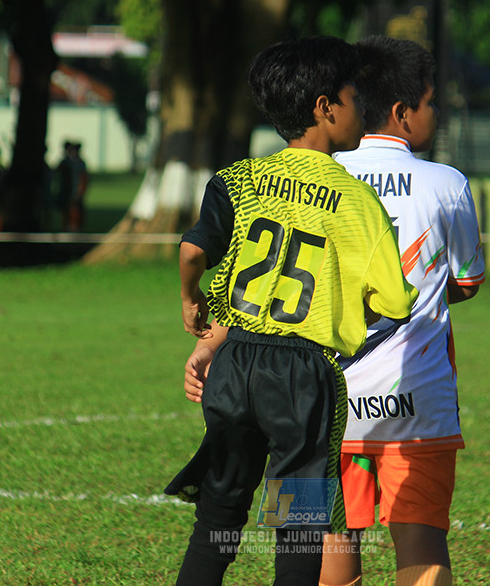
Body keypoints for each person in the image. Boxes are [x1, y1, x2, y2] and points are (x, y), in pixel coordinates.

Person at [168, 36, 418, 586]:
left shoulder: (239, 180)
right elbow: (395, 301)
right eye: (353, 97)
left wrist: (194, 306)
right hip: (302, 375)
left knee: (220, 510)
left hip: (235, 365)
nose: (361, 109)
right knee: (298, 524)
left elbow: (193, 253)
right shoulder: (355, 200)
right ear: (326, 108)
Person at [323, 36, 486, 586]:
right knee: (422, 542)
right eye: (431, 102)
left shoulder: (316, 180)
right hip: (418, 399)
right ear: (402, 112)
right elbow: (465, 282)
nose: (434, 113)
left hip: (315, 400)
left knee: (321, 544)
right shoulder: (447, 183)